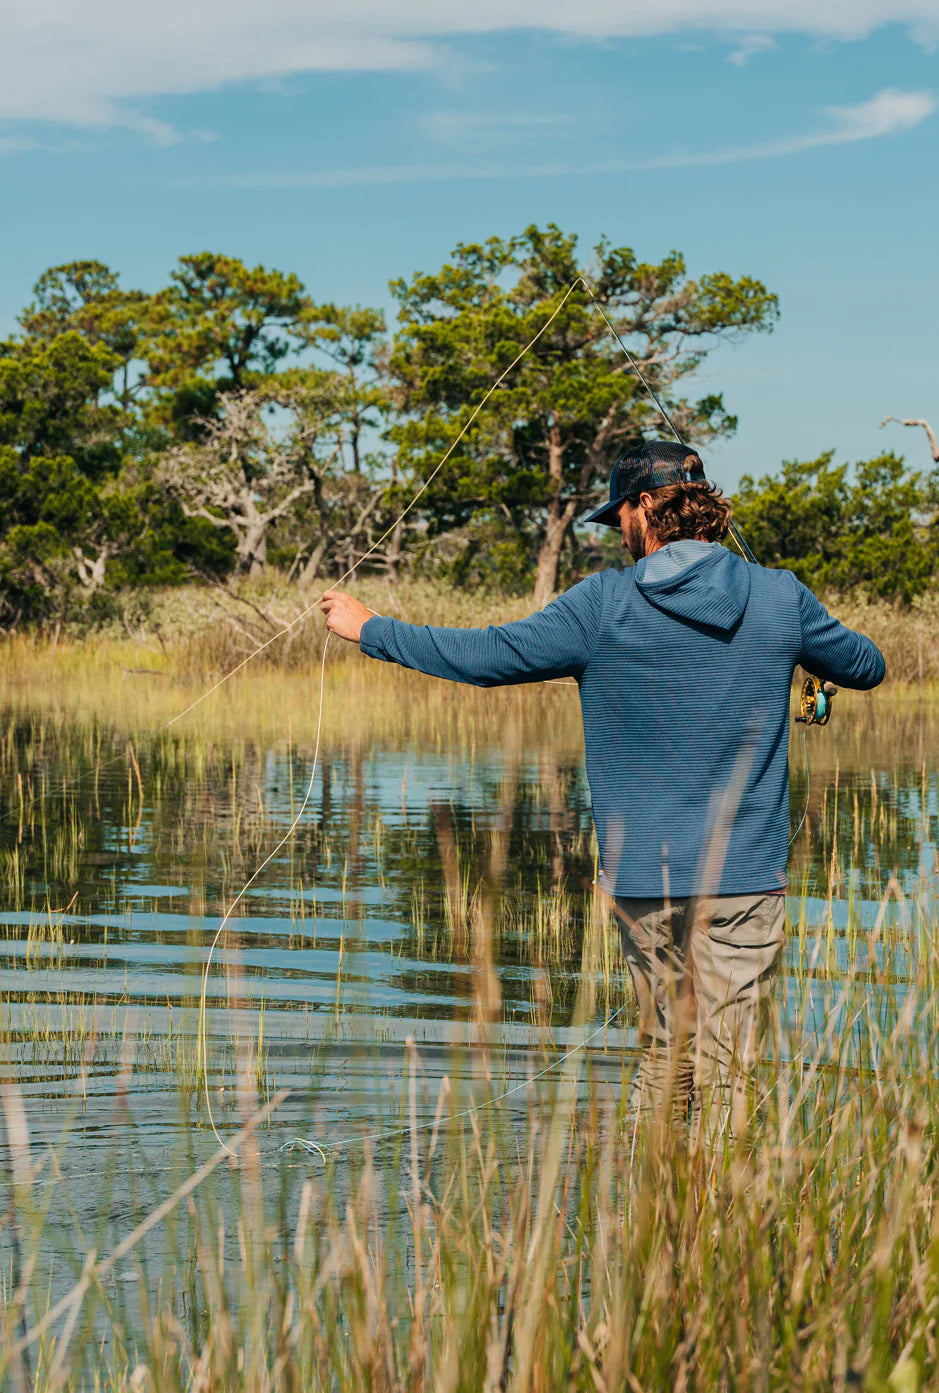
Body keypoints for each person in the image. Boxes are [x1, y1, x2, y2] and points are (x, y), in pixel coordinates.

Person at [320, 440, 884, 1139]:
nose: (616, 530)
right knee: (726, 1065)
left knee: (663, 1055)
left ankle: (651, 1223)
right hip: (743, 884)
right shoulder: (779, 595)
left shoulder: (601, 604)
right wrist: (796, 633)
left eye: (618, 513)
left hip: (644, 883)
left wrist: (372, 629)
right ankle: (717, 1230)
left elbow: (488, 657)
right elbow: (866, 663)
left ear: (647, 505)